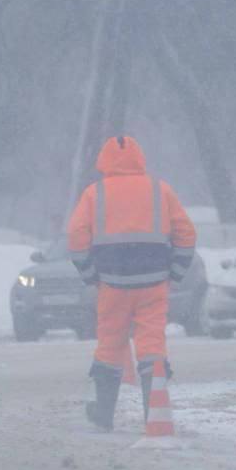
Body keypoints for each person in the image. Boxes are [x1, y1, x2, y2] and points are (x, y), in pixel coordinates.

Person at [67, 136, 196, 431]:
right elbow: (186, 234)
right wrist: (175, 272)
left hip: (112, 284)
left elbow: (76, 237)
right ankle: (155, 412)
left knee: (110, 343)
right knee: (152, 344)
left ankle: (103, 411)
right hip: (153, 283)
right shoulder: (159, 190)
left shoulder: (93, 194)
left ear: (103, 161)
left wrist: (90, 276)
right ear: (140, 159)